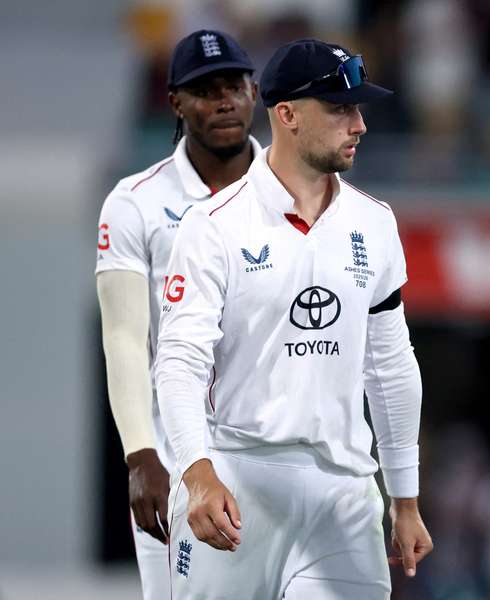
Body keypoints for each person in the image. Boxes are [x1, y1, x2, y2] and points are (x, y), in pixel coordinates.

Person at [155, 39, 433, 599]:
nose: (359, 125)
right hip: (236, 479)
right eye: (340, 109)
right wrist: (197, 472)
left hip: (346, 492)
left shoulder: (375, 222)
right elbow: (179, 362)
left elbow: (391, 366)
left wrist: (405, 498)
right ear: (286, 115)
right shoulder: (213, 226)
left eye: (359, 109)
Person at [96, 29, 259, 600]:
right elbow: (123, 337)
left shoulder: (295, 190)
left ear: (255, 93)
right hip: (178, 456)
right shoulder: (135, 202)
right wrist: (140, 454)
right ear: (176, 103)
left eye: (234, 86)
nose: (224, 101)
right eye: (206, 90)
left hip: (279, 454)